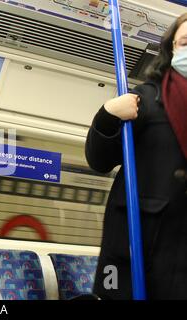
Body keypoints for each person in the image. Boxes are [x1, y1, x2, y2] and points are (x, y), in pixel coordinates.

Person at [86, 13, 187, 300]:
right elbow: (99, 160)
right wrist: (107, 116)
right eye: (186, 42)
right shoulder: (146, 100)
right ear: (171, 51)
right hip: (134, 251)